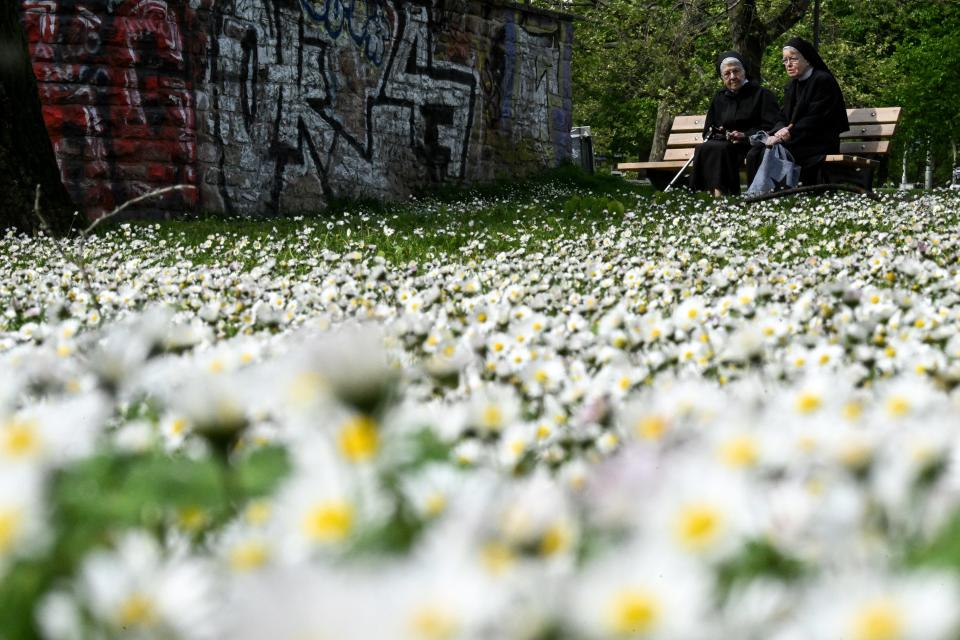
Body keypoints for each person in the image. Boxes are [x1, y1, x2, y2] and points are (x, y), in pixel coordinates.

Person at [688, 51, 780, 196]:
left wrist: (744, 135)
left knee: (719, 149)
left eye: (736, 71)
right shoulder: (719, 97)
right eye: (727, 74)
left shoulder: (762, 94)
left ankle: (726, 196)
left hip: (751, 145)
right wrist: (719, 132)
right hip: (726, 144)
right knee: (705, 147)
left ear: (744, 71)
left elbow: (771, 126)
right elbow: (707, 129)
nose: (732, 77)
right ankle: (717, 197)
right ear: (722, 77)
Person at [766, 36, 849, 185]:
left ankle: (775, 193)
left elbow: (818, 118)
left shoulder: (823, 81)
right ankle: (760, 195)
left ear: (808, 59)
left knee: (777, 150)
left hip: (818, 141)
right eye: (785, 60)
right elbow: (782, 116)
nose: (788, 64)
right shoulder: (793, 85)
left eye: (793, 59)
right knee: (760, 149)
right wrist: (779, 130)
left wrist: (790, 132)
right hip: (798, 138)